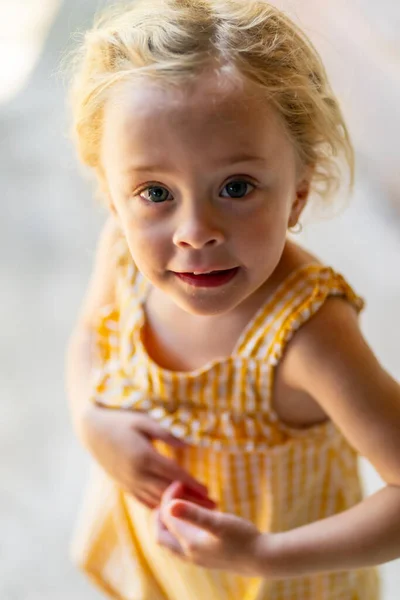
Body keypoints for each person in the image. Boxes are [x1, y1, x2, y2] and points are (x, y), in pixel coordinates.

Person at [64, 1, 400, 598]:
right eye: (155, 192)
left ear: (297, 194)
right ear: (114, 198)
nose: (195, 230)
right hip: (170, 570)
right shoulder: (123, 249)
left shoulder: (308, 334)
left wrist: (263, 555)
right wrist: (92, 421)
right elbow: (90, 335)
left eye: (236, 186)